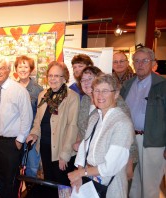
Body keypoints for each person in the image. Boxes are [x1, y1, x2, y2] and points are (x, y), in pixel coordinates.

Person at [68, 74, 134, 198]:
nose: (99, 96)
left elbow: (110, 167)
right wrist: (80, 173)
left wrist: (81, 172)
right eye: (96, 91)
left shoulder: (122, 123)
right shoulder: (94, 117)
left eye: (105, 91)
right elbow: (84, 149)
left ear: (115, 94)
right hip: (89, 182)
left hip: (110, 185)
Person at [0, 57, 33, 198]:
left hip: (11, 143)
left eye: (1, 68)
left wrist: (20, 140)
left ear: (9, 70)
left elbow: (26, 117)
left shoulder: (19, 91)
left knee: (11, 179)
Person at [120, 47, 166, 198]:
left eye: (144, 61)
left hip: (153, 142)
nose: (140, 64)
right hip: (129, 141)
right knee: (132, 185)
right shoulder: (127, 85)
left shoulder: (162, 85)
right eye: (136, 61)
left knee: (149, 187)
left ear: (153, 63)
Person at [26, 61, 79, 187]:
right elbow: (38, 121)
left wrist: (65, 154)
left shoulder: (72, 97)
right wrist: (34, 134)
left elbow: (73, 126)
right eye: (50, 75)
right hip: (45, 146)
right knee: (49, 182)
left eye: (57, 76)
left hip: (61, 149)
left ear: (64, 78)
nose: (53, 79)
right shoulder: (43, 95)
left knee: (62, 185)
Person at [15, 55, 43, 181]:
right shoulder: (12, 88)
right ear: (15, 69)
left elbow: (40, 114)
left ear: (31, 69)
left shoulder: (38, 89)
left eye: (26, 66)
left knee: (32, 167)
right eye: (20, 66)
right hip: (15, 134)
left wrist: (33, 132)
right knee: (16, 165)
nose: (22, 69)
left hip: (32, 135)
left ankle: (30, 191)